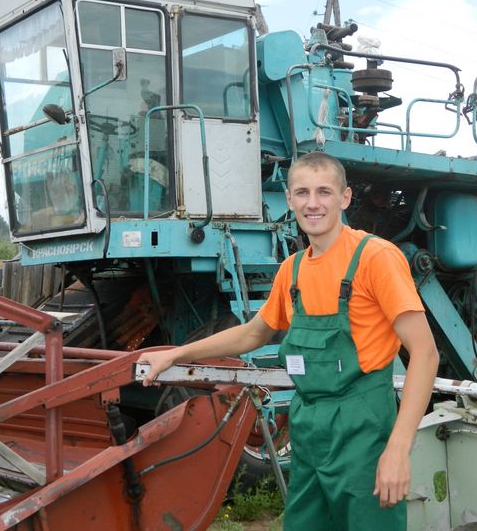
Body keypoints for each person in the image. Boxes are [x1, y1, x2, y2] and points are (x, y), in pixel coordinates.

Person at [137, 152, 439, 530]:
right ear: (290, 199)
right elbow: (252, 333)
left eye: (324, 192)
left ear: (344, 198)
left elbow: (425, 354)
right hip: (308, 426)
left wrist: (398, 448)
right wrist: (177, 354)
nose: (313, 203)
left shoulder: (375, 258)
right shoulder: (292, 270)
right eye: (303, 192)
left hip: (364, 429)